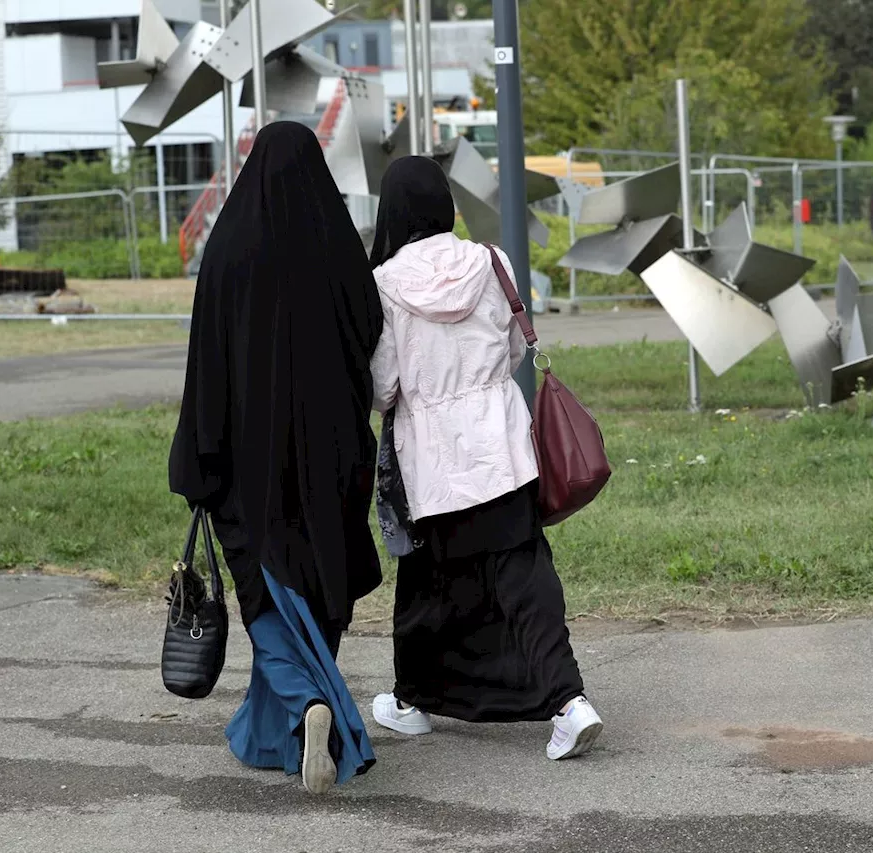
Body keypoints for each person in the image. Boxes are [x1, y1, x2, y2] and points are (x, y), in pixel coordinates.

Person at [168, 122, 382, 795]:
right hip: (332, 456)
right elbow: (371, 331)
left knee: (264, 589)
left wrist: (198, 458)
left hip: (248, 461)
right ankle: (271, 734)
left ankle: (312, 705)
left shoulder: (230, 245)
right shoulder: (338, 245)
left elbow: (207, 359)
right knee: (316, 584)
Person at [368, 156, 603, 761]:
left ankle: (413, 699)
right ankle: (569, 703)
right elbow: (513, 348)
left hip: (431, 461)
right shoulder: (491, 261)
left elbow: (383, 388)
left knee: (428, 582)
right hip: (501, 445)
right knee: (524, 574)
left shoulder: (386, 284)